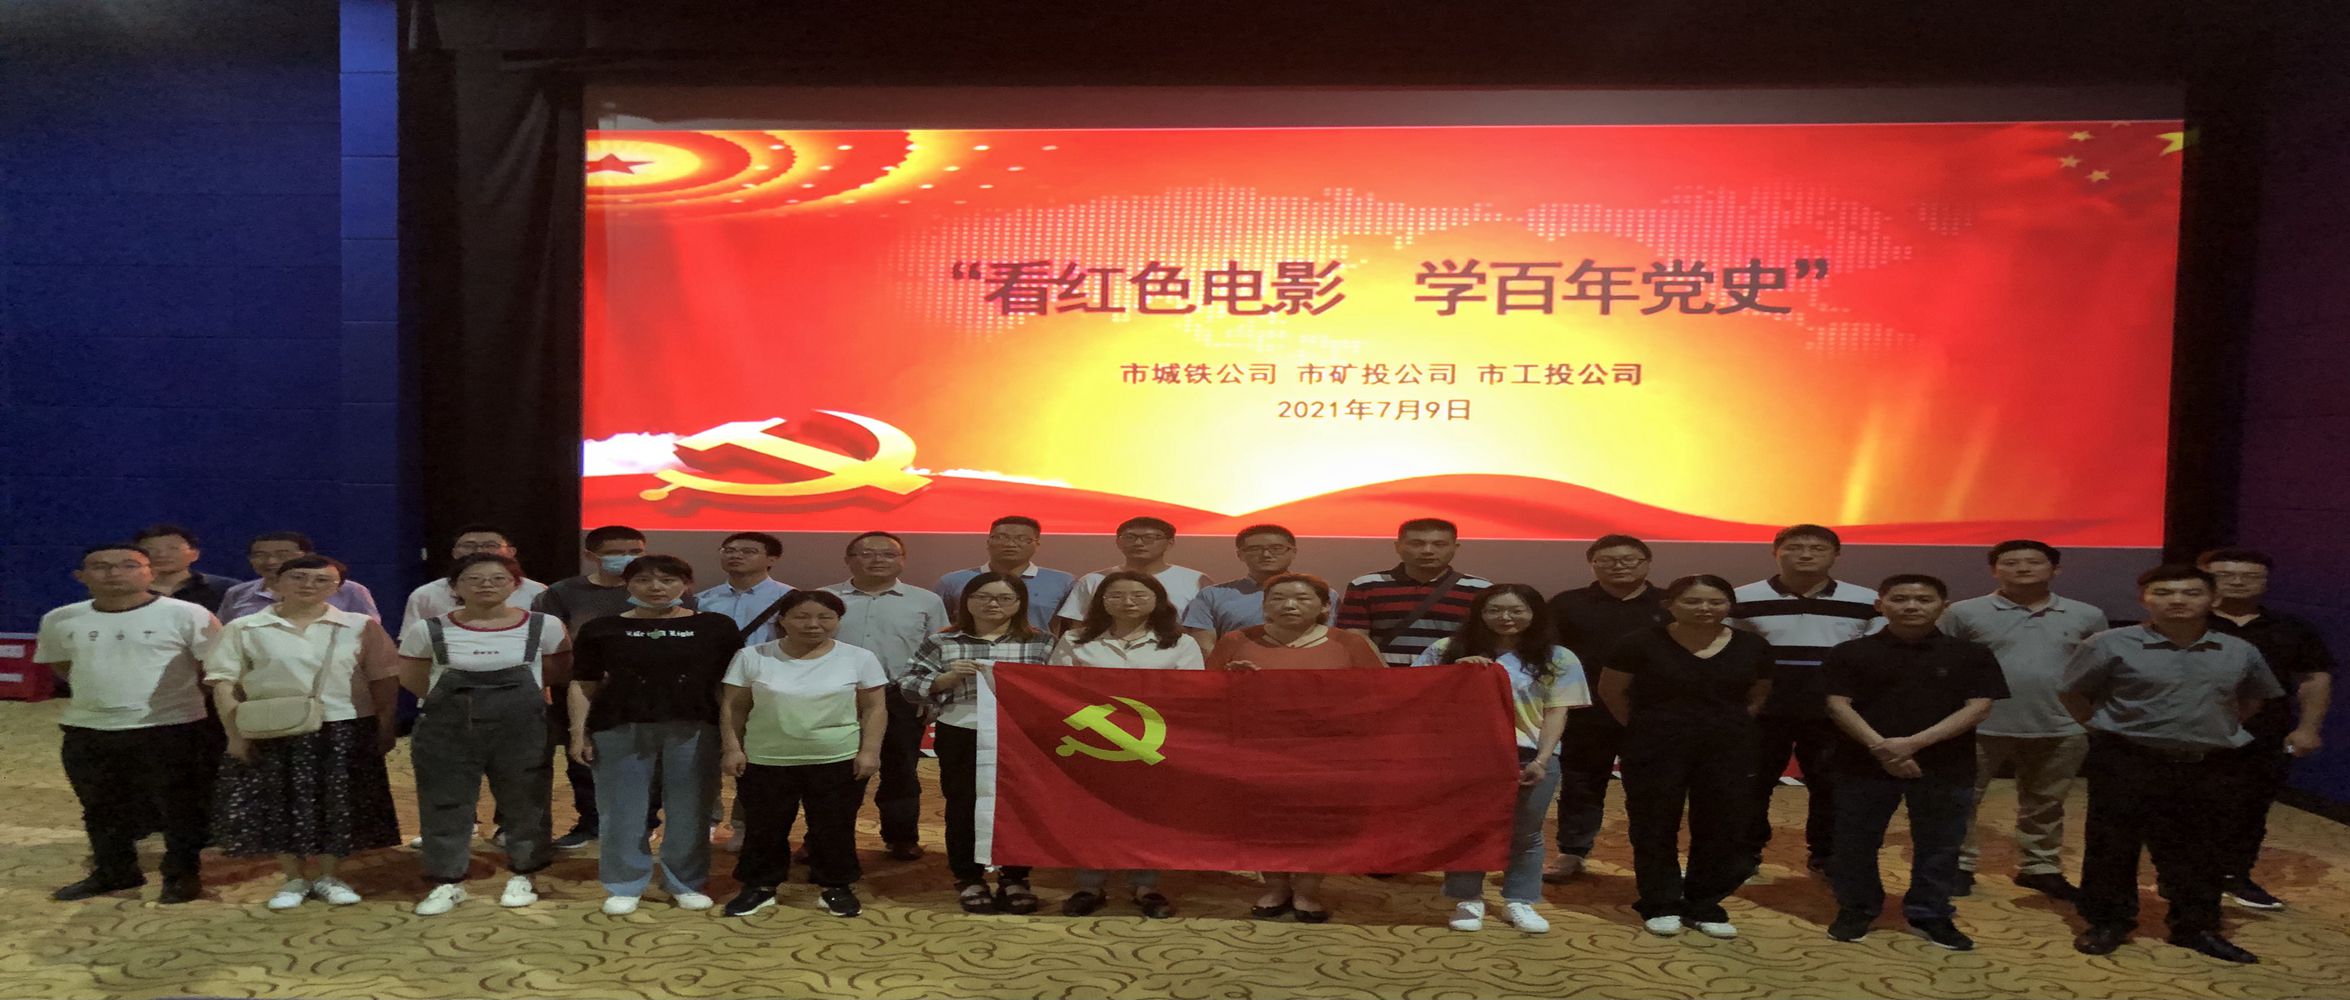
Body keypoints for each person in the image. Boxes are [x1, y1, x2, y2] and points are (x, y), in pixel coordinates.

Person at [2062, 565, 2284, 964]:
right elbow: (2073, 692)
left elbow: (2253, 699)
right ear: (2144, 599)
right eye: (2163, 592)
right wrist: (2101, 727)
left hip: (2208, 764)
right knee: (2112, 845)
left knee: (2201, 849)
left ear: (2213, 599)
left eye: (2191, 593)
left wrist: (2210, 729)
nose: (2177, 600)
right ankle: (2108, 921)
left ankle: (2195, 927)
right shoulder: (2108, 643)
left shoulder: (2239, 650)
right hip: (2127, 759)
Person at [1822, 575, 2008, 951]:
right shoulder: (1850, 652)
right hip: (1862, 763)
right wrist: (1881, 748)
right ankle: (1857, 907)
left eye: (1923, 600)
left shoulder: (1971, 654)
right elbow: (1837, 704)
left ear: (1944, 606)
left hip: (1945, 763)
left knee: (1940, 844)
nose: (1911, 606)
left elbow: (1979, 707)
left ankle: (1931, 913)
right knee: (1855, 841)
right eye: (1900, 599)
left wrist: (1911, 745)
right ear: (1880, 605)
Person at [205, 555, 402, 909]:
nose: (309, 585)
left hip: (343, 725)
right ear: (276, 583)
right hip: (271, 727)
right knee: (278, 803)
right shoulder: (245, 627)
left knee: (338, 803)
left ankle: (329, 875)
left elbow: (383, 678)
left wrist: (385, 726)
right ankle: (293, 878)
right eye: (298, 577)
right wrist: (234, 735)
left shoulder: (359, 626)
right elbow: (223, 683)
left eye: (322, 580)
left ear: (338, 587)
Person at [35, 543, 222, 904]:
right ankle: (114, 871)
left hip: (172, 726)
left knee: (180, 807)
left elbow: (210, 670)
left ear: (151, 572)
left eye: (128, 565)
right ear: (80, 576)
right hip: (88, 728)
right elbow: (63, 668)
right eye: (101, 566)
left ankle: (181, 875)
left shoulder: (187, 614)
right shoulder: (60, 618)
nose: (114, 573)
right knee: (100, 806)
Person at [1598, 574, 1773, 939]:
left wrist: (1723, 726)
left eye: (1715, 602)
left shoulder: (1752, 645)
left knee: (1722, 825)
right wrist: (1650, 727)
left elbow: (1757, 695)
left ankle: (1703, 903)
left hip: (1728, 749)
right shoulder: (1639, 642)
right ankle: (1658, 902)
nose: (1705, 608)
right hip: (1655, 747)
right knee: (1654, 824)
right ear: (1669, 605)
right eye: (1692, 601)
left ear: (1729, 606)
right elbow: (1612, 692)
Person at [397, 552, 570, 916]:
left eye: (497, 578)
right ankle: (447, 880)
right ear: (455, 586)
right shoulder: (428, 629)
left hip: (522, 728)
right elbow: (413, 679)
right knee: (444, 801)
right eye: (474, 579)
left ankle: (525, 873)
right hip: (446, 729)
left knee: (527, 801)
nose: (486, 585)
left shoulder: (545, 625)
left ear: (515, 584)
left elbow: (556, 671)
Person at [1206, 572, 1384, 921]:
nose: (1289, 605)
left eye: (1302, 599)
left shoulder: (1349, 643)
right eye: (1278, 598)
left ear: (1325, 606)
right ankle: (1274, 886)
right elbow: (1203, 693)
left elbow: (1378, 694)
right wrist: (1229, 681)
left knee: (1317, 821)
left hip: (1327, 751)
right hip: (1256, 748)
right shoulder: (1237, 640)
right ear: (1264, 605)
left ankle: (1307, 890)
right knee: (1263, 819)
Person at [1939, 540, 2108, 901]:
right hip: (1978, 724)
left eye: (2033, 561)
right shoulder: (1964, 613)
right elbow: (1941, 664)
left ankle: (2040, 868)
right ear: (1994, 570)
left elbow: (2096, 670)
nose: (2022, 568)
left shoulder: (2087, 614)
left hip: (2061, 725)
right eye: (2011, 562)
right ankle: (1959, 865)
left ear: (2055, 569)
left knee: (2046, 802)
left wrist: (2089, 718)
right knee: (1962, 799)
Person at [568, 554, 737, 914]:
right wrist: (578, 733)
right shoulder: (602, 628)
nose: (655, 587)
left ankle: (685, 881)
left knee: (691, 808)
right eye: (643, 580)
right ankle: (624, 883)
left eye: (667, 580)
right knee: (621, 809)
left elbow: (728, 688)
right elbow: (583, 683)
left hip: (695, 725)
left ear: (687, 585)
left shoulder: (716, 626)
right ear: (627, 585)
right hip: (619, 725)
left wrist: (731, 737)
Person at [1415, 584, 1586, 935]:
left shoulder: (1558, 657)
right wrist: (1454, 673)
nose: (1505, 617)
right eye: (1494, 610)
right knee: (1468, 826)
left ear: (1535, 614)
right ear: (1479, 613)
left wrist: (1543, 758)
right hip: (1465, 754)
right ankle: (1467, 898)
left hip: (1528, 753)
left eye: (1516, 610)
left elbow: (1556, 711)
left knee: (1526, 831)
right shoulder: (1447, 649)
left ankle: (1520, 899)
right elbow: (1417, 695)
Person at [720, 590, 888, 919]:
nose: (813, 624)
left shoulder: (858, 657)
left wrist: (870, 751)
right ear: (782, 620)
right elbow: (733, 707)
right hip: (767, 758)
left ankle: (836, 886)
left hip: (836, 757)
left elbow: (874, 708)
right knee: (764, 826)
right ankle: (760, 886)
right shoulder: (753, 656)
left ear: (838, 621)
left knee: (834, 826)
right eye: (801, 616)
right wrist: (732, 748)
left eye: (825, 617)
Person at [1049, 571, 1205, 917]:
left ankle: (1146, 884)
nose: (1128, 602)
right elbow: (1057, 688)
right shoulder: (1076, 640)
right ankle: (1089, 885)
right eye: (1116, 595)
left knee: (1149, 812)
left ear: (1158, 601)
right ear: (1101, 602)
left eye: (1139, 595)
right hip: (1092, 742)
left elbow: (1190, 696)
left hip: (1155, 744)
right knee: (1090, 812)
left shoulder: (1180, 644)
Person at [900, 573, 1056, 914]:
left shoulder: (1041, 642)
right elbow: (908, 685)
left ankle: (1015, 877)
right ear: (967, 601)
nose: (992, 604)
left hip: (1021, 735)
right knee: (963, 804)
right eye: (983, 597)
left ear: (1019, 604)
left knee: (1020, 804)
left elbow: (1059, 689)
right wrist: (947, 678)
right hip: (961, 729)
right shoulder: (943, 642)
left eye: (1004, 598)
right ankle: (968, 877)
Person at [1730, 524, 1877, 876]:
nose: (1806, 554)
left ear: (1836, 555)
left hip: (1833, 713)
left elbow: (1871, 658)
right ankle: (1744, 853)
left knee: (1831, 786)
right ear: (1775, 552)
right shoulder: (1741, 598)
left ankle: (1826, 854)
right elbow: (1732, 653)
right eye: (1795, 547)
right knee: (1750, 784)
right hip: (1762, 711)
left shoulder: (1867, 600)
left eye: (1818, 548)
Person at [536, 524, 690, 849]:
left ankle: (645, 822)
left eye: (635, 551)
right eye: (616, 552)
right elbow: (549, 639)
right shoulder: (563, 592)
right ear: (591, 555)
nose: (627, 558)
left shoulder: (665, 590)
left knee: (651, 762)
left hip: (651, 692)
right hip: (584, 687)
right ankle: (591, 822)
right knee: (583, 758)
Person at [2199, 547, 2336, 911]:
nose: (2238, 581)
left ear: (2266, 582)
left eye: (2251, 576)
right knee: (2185, 805)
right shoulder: (2186, 621)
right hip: (2190, 731)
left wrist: (2308, 728)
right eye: (2226, 575)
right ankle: (2185, 875)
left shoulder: (2292, 628)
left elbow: (2313, 678)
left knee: (2250, 807)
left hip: (2265, 733)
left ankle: (2235, 875)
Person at [1544, 533, 1671, 882]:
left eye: (1629, 559)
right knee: (1581, 784)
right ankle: (1572, 851)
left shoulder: (1669, 604)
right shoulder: (1567, 604)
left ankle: (1654, 856)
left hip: (1652, 713)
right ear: (1593, 564)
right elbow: (1548, 654)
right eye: (1608, 560)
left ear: (1647, 563)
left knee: (1653, 787)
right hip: (1586, 712)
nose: (1619, 566)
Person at [823, 531, 949, 860]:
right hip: (836, 695)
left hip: (900, 696)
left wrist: (930, 698)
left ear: (902, 560)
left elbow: (939, 653)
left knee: (901, 770)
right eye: (867, 553)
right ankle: (823, 837)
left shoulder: (926, 601)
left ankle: (901, 837)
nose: (878, 559)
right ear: (848, 560)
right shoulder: (825, 598)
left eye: (889, 554)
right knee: (833, 772)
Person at [1337, 518, 1494, 667]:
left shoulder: (1480, 589)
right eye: (1417, 544)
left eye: (1439, 544)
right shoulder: (1365, 585)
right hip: (1384, 677)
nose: (1427, 551)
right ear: (1398, 546)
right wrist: (1381, 671)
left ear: (1455, 547)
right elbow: (1355, 637)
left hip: (1452, 677)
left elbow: (1488, 638)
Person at [1055, 517, 1212, 632]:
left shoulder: (1196, 580)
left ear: (1170, 543)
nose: (1138, 543)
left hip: (1172, 656)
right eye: (1130, 537)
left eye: (1149, 538)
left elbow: (1204, 631)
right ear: (1118, 542)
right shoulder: (1092, 580)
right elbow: (1077, 628)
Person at [935, 515, 1076, 634]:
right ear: (988, 541)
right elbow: (939, 625)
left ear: (1037, 544)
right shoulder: (952, 581)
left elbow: (1071, 630)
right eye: (1001, 537)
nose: (1010, 544)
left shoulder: (1063, 582)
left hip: (1037, 653)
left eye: (1022, 538)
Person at [1182, 524, 1300, 652]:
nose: (1266, 554)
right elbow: (1205, 646)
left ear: (1293, 552)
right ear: (1240, 554)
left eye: (1276, 548)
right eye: (1255, 549)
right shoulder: (1211, 595)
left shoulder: (1314, 593)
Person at [219, 531, 382, 623]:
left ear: (307, 556)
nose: (270, 561)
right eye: (260, 555)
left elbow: (370, 636)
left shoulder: (348, 590)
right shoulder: (237, 593)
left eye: (282, 554)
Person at [400, 525, 548, 625]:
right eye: (468, 546)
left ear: (511, 552)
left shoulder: (537, 591)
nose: (479, 551)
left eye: (490, 545)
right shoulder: (426, 595)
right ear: (454, 553)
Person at [696, 531, 792, 643]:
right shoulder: (701, 599)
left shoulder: (790, 598)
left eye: (748, 551)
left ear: (772, 560)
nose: (735, 556)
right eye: (729, 551)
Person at [134, 524, 239, 614]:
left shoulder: (226, 588)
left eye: (173, 548)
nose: (162, 554)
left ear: (195, 554)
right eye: (151, 549)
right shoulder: (129, 589)